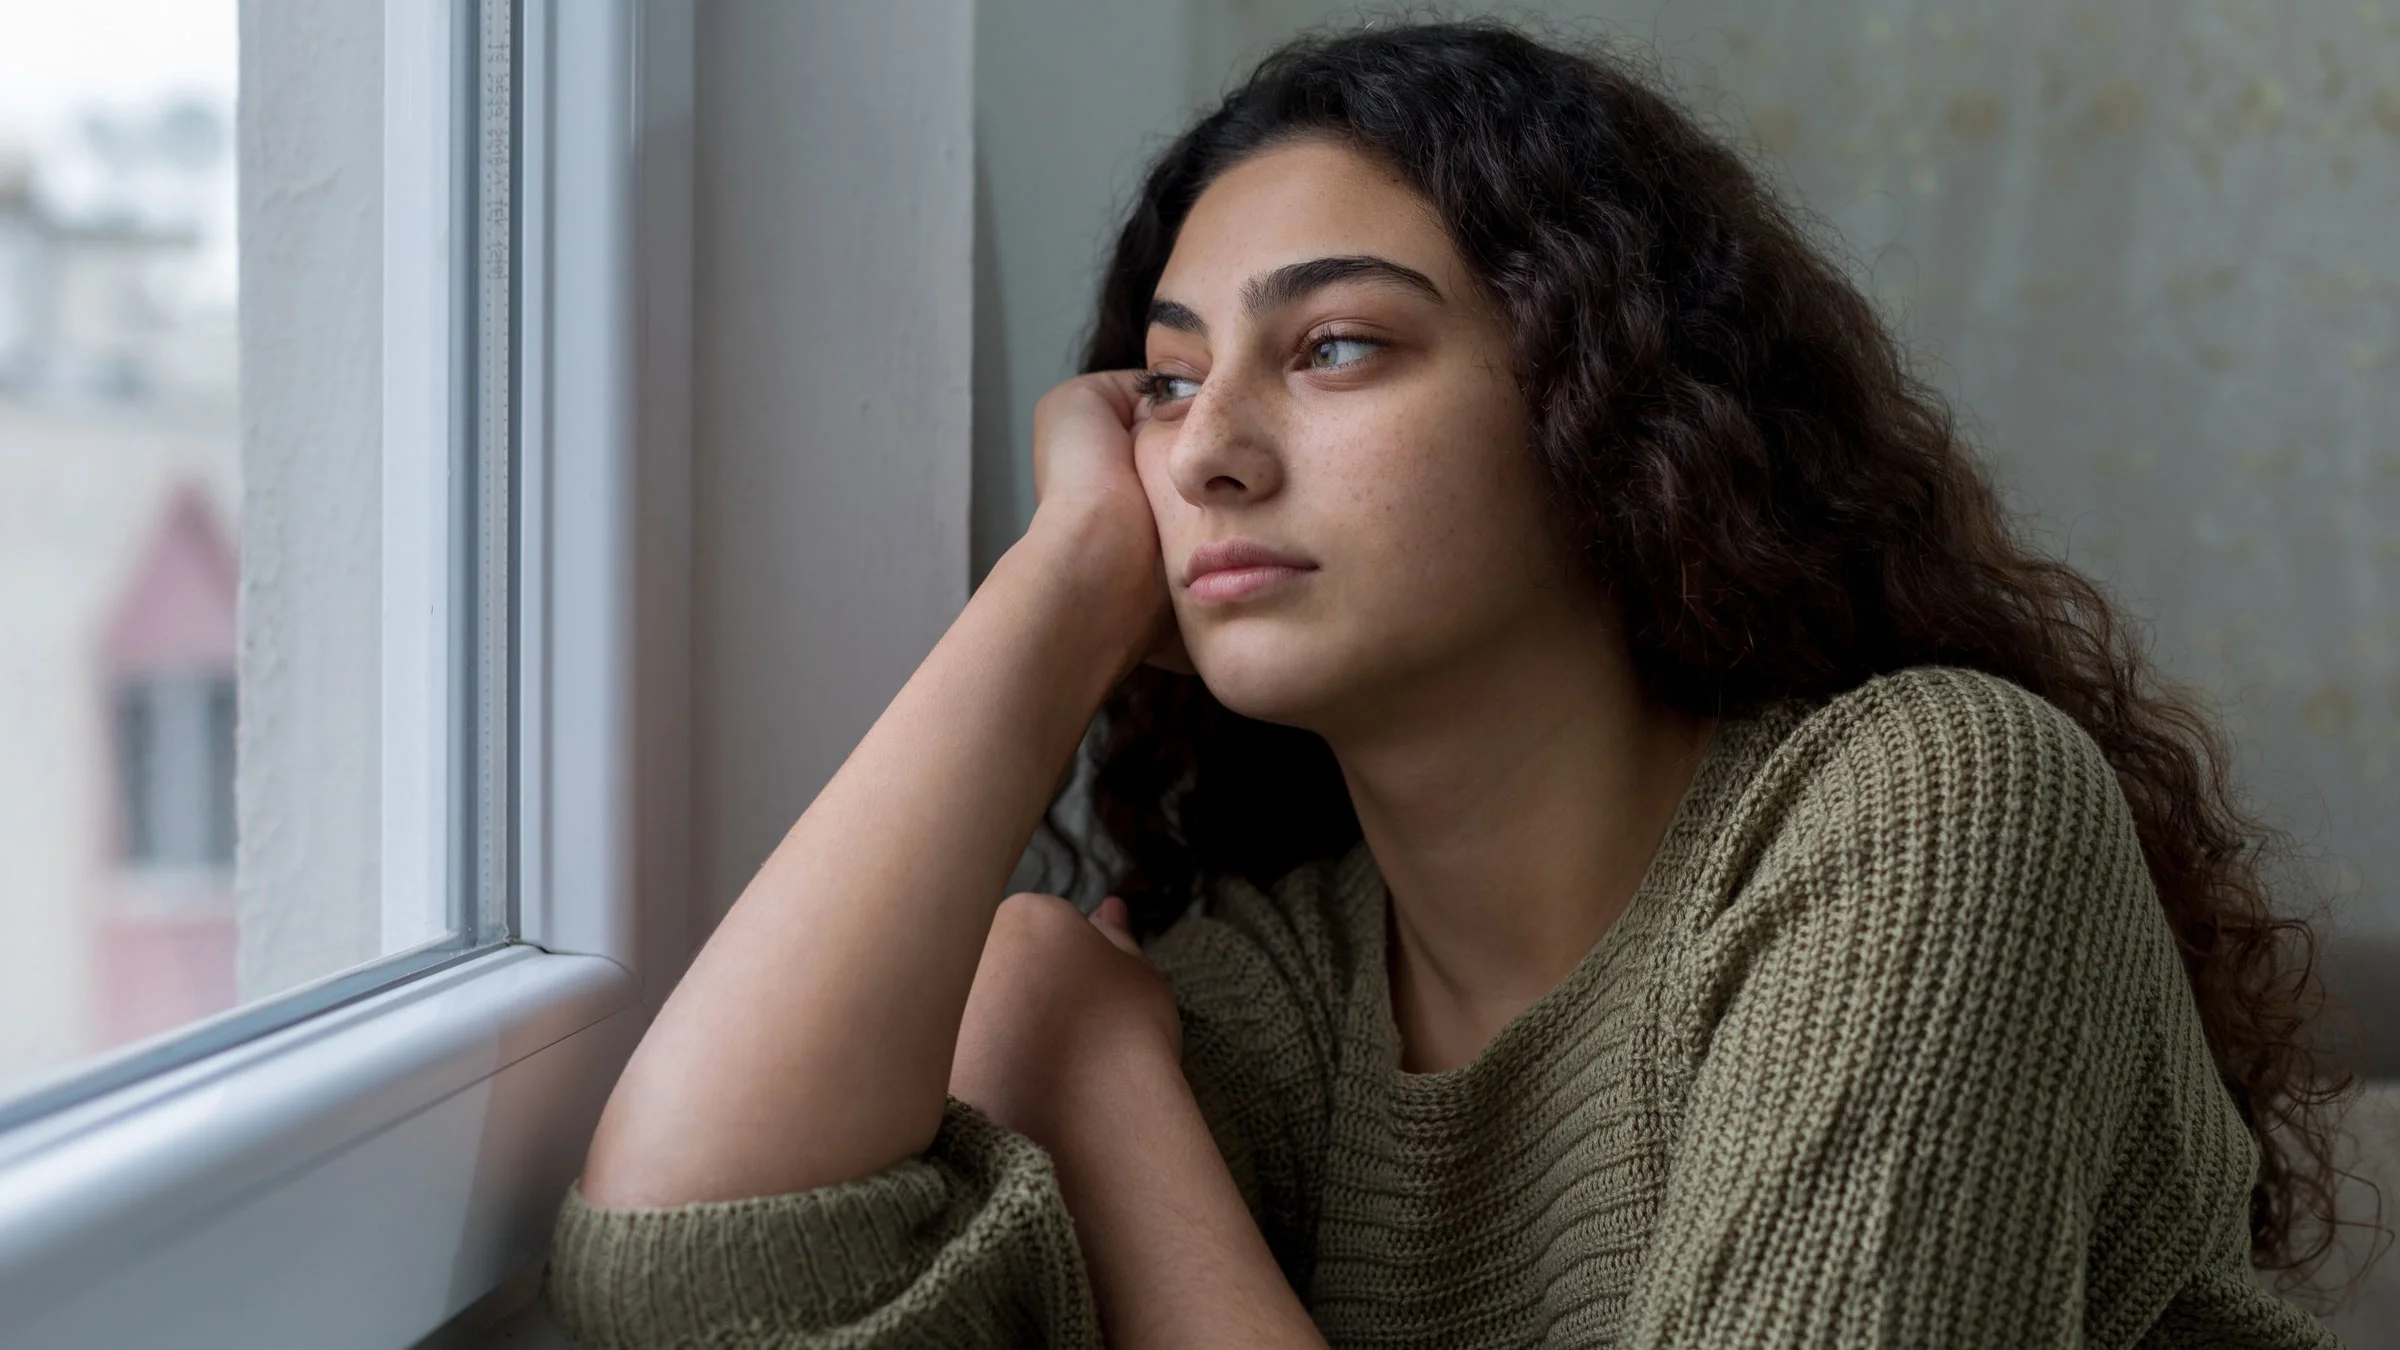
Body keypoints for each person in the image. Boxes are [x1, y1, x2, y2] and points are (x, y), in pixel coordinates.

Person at [542, 21, 2356, 1348]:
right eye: (1164, 387)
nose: (1209, 455)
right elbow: (693, 1272)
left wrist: (1098, 1094)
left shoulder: (1932, 808)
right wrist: (1064, 579)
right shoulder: (1288, 987)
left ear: (1611, 405)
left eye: (1336, 346)